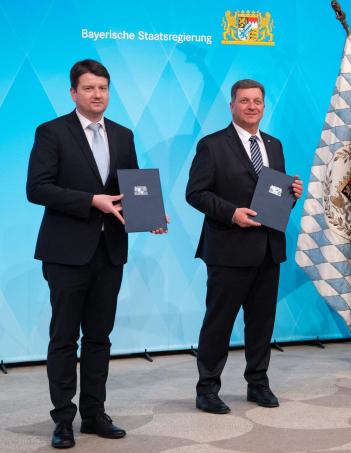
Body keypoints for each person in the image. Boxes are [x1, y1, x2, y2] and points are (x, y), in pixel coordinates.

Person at [27, 59, 167, 449]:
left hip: (109, 252)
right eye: (89, 88)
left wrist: (150, 215)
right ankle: (63, 420)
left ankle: (94, 413)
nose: (97, 95)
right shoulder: (52, 132)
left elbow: (133, 188)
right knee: (64, 339)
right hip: (66, 252)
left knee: (99, 338)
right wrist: (92, 201)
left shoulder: (123, 135)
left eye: (102, 88)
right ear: (74, 93)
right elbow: (37, 188)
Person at [186, 79, 303, 414]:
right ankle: (207, 389)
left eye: (258, 101)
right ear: (232, 106)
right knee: (219, 322)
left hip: (268, 248)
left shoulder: (274, 145)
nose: (252, 107)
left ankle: (258, 383)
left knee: (262, 322)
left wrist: (291, 196)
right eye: (245, 101)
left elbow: (272, 198)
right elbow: (195, 193)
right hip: (228, 249)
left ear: (264, 106)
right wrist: (231, 214)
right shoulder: (212, 145)